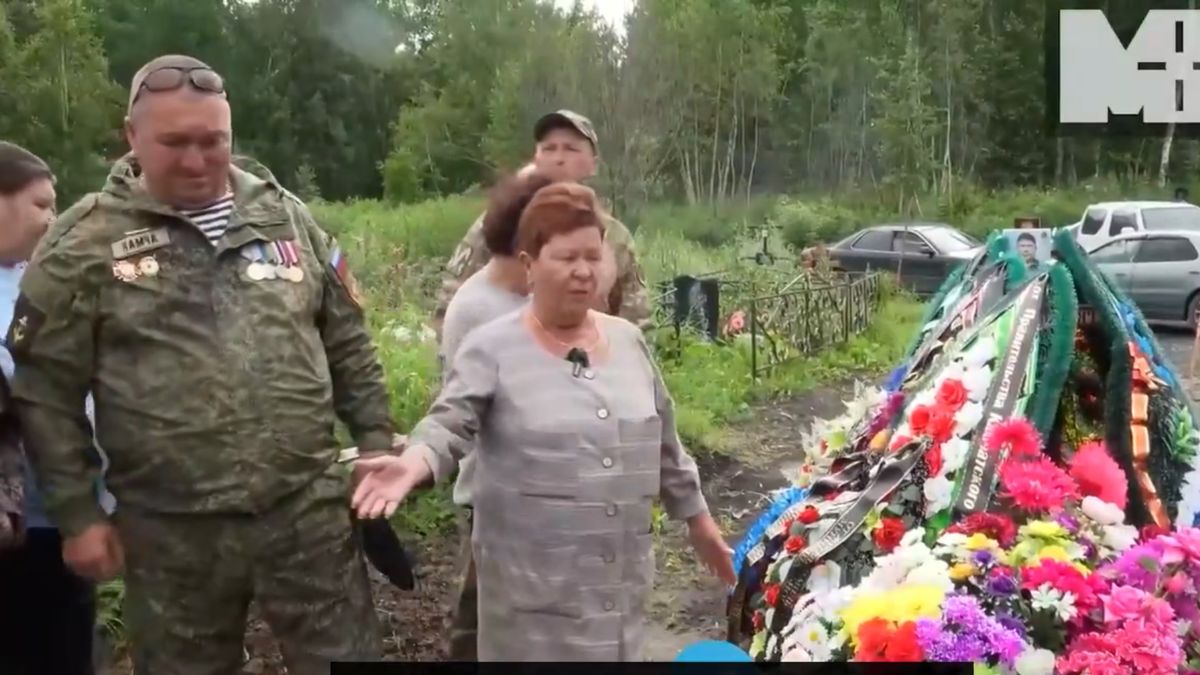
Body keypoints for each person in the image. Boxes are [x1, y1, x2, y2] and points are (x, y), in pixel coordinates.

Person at [7, 55, 394, 675]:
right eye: (174, 143)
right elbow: (46, 391)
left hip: (306, 513)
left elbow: (346, 339)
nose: (196, 160)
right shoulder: (83, 242)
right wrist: (78, 515)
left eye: (213, 141)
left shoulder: (283, 215)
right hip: (172, 533)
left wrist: (376, 440)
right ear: (131, 136)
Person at [352, 181, 736, 661]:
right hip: (529, 616)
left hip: (617, 604)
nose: (583, 271)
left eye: (593, 257)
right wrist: (414, 462)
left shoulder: (628, 342)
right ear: (530, 264)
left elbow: (665, 444)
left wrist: (699, 521)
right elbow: (449, 422)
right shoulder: (492, 347)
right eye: (566, 257)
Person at [0, 142, 116, 675]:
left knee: (64, 642)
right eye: (40, 205)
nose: (53, 219)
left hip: (60, 509)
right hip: (14, 512)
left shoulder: (48, 277)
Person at [433, 110, 651, 336]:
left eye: (571, 149)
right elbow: (451, 302)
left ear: (593, 165)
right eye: (548, 149)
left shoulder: (614, 236)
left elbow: (636, 319)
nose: (558, 159)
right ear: (535, 159)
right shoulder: (503, 221)